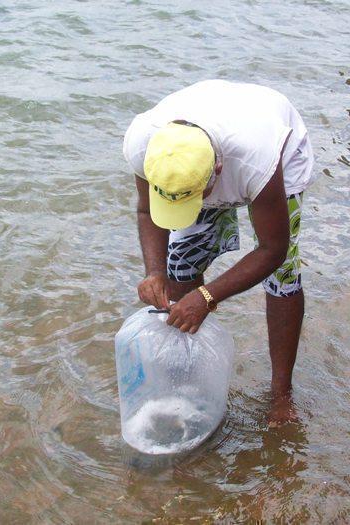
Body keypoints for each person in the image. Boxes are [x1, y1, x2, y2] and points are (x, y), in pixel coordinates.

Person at [122, 80, 317, 425]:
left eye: (197, 197)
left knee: (283, 276)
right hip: (210, 144)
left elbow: (273, 249)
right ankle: (192, 378)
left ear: (217, 172)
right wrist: (154, 272)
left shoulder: (257, 158)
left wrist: (208, 296)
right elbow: (146, 210)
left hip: (277, 155)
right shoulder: (145, 145)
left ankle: (281, 393)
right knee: (180, 264)